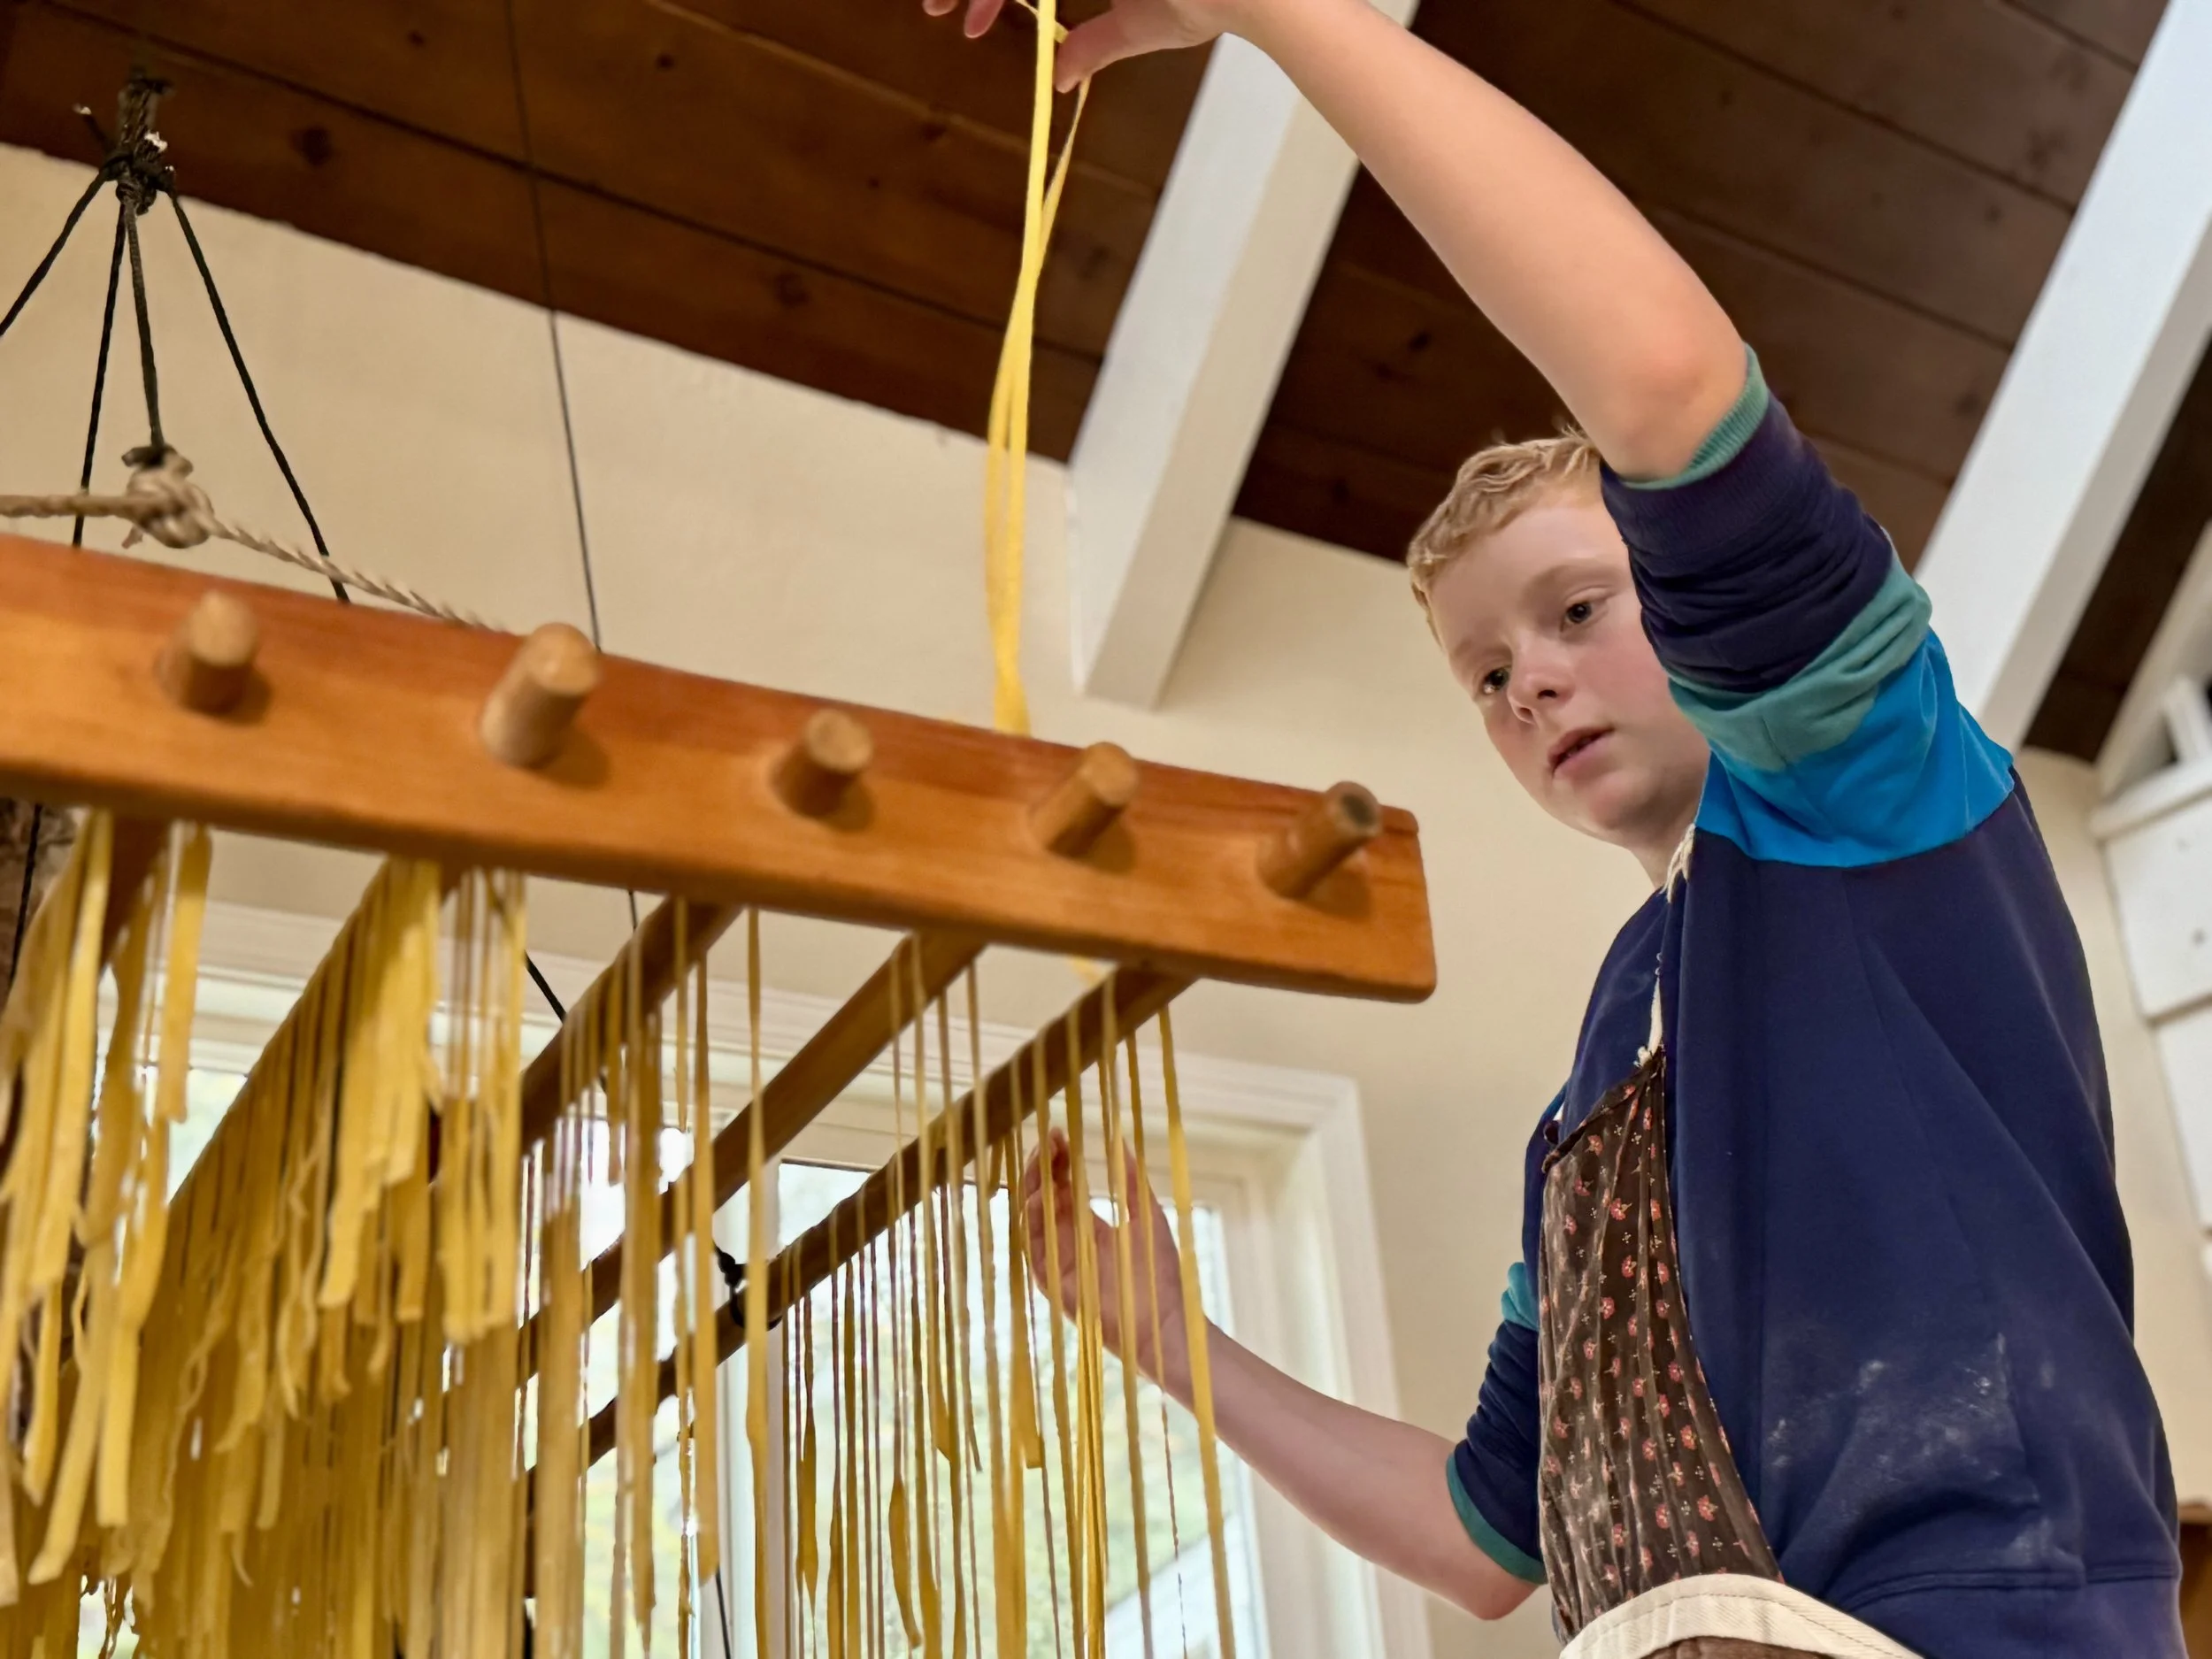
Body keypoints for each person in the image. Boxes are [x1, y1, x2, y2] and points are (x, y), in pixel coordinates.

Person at [930, 0, 2191, 1651]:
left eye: (1580, 607)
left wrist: (1264, 10)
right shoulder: (1604, 1063)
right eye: (1484, 672)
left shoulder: (1852, 781)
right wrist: (1168, 1335)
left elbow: (1666, 381)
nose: (1526, 680)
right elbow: (1486, 1535)